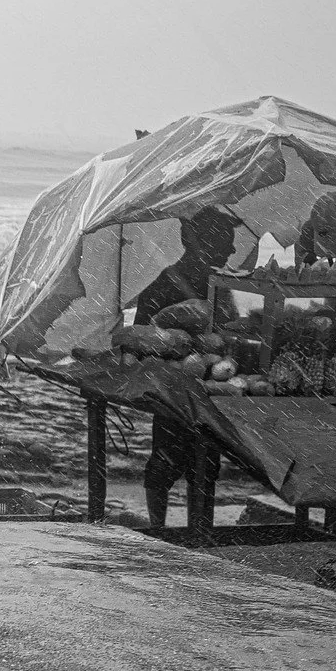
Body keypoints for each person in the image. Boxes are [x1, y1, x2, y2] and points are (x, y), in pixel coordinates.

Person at [134, 208, 244, 528]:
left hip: (209, 387)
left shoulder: (220, 285)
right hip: (172, 389)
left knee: (204, 462)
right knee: (168, 459)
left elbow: (230, 332)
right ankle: (159, 529)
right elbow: (141, 339)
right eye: (225, 240)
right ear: (195, 240)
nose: (232, 250)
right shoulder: (164, 283)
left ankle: (198, 531)